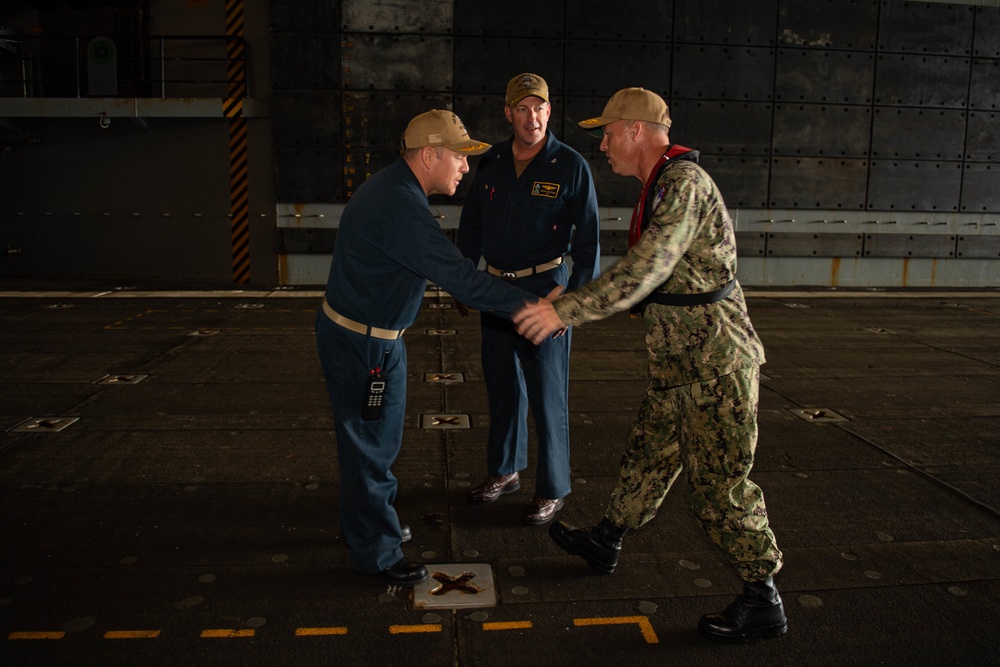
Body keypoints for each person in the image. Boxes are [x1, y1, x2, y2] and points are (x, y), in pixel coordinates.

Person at [513, 87, 786, 643]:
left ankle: (763, 596)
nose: (603, 145)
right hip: (681, 365)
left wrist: (564, 310)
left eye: (608, 134)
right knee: (649, 454)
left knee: (720, 489)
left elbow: (647, 267)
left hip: (715, 370)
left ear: (635, 130)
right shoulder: (661, 184)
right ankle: (607, 538)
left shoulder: (683, 186)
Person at [315, 109, 544, 586]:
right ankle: (375, 553)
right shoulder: (400, 207)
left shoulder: (396, 190)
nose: (465, 167)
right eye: (459, 157)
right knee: (370, 449)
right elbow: (460, 277)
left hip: (372, 339)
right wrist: (535, 306)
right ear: (430, 155)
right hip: (363, 346)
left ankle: (369, 525)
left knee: (375, 444)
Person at [456, 73, 600, 525]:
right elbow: (473, 224)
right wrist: (463, 278)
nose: (531, 117)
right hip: (497, 290)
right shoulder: (493, 162)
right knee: (502, 387)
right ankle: (504, 471)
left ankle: (553, 487)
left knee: (546, 392)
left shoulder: (571, 165)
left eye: (538, 107)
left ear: (549, 111)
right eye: (522, 108)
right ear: (508, 114)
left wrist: (569, 300)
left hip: (545, 294)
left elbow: (589, 242)